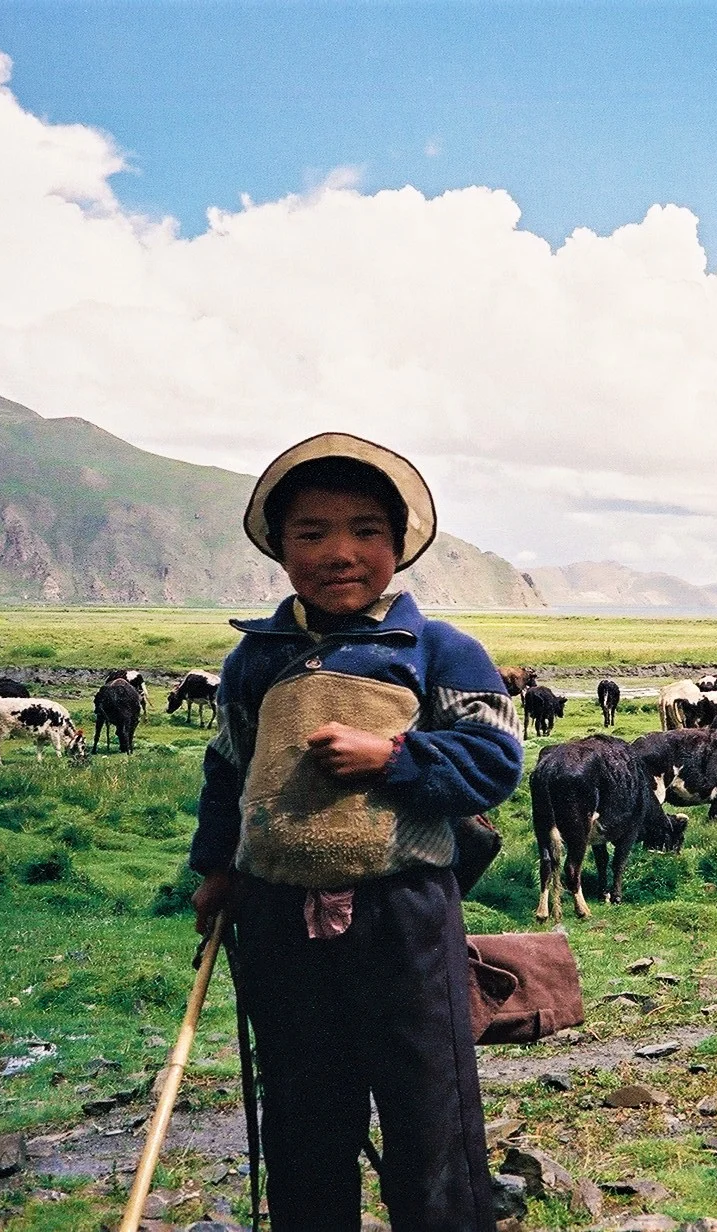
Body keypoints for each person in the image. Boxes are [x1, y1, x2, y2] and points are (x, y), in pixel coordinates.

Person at [188, 432, 522, 1231]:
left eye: (366, 530)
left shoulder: (439, 650)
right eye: (312, 533)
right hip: (277, 919)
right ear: (281, 549)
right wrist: (217, 870)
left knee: (430, 1111)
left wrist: (395, 757)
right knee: (301, 1112)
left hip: (403, 916)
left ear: (398, 545)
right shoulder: (253, 660)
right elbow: (228, 770)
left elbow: (495, 761)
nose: (340, 552)